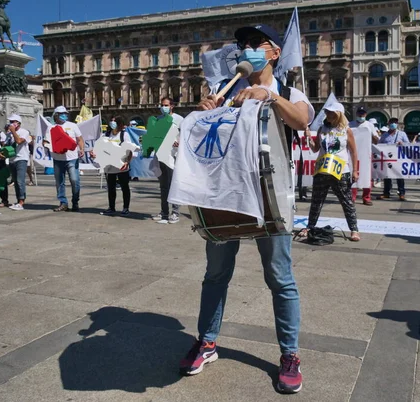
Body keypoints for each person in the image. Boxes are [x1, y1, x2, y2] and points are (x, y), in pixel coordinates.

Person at [180, 24, 313, 394]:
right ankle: (207, 342)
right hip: (226, 198)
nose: (246, 49)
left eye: (256, 43)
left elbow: (301, 120)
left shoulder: (288, 90)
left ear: (273, 52)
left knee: (280, 278)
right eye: (242, 45)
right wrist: (205, 110)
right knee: (215, 275)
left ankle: (290, 354)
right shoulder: (225, 90)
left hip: (270, 198)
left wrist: (269, 98)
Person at [302, 102, 360, 241]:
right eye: (327, 112)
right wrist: (309, 138)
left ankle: (354, 229)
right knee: (316, 200)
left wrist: (355, 170)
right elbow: (316, 149)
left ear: (338, 114)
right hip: (322, 169)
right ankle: (310, 226)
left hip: (340, 171)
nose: (328, 114)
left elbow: (353, 151)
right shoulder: (322, 129)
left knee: (346, 201)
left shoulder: (346, 130)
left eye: (331, 112)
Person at [43, 106, 85, 212]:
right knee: (59, 182)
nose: (64, 115)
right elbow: (46, 141)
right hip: (57, 159)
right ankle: (63, 203)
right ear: (56, 115)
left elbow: (80, 139)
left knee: (75, 180)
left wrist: (82, 149)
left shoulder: (73, 126)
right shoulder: (51, 128)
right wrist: (47, 146)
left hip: (72, 158)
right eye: (62, 114)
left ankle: (75, 202)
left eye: (65, 113)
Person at [151, 97, 184, 224]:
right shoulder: (158, 120)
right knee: (163, 186)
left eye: (165, 105)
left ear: (172, 106)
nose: (163, 107)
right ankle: (164, 212)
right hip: (161, 156)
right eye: (162, 105)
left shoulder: (179, 119)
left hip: (173, 156)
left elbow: (186, 135)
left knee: (173, 185)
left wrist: (179, 142)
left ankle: (175, 213)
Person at [99, 116, 134, 216]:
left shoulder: (124, 134)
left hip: (122, 165)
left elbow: (129, 150)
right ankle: (111, 207)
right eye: (111, 121)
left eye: (115, 121)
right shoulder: (106, 135)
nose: (113, 123)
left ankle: (126, 208)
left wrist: (127, 162)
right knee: (111, 187)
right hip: (110, 166)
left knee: (124, 187)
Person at [349, 106, 379, 205]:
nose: (361, 115)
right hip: (353, 154)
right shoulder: (350, 124)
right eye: (359, 113)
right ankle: (352, 197)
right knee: (352, 176)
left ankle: (366, 198)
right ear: (356, 114)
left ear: (366, 114)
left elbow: (376, 141)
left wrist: (373, 135)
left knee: (367, 176)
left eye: (363, 114)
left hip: (366, 154)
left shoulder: (370, 125)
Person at [377, 118, 409, 201]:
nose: (393, 124)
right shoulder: (384, 135)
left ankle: (401, 193)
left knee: (399, 177)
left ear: (397, 124)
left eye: (395, 123)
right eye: (391, 123)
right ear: (388, 124)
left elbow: (408, 145)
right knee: (387, 177)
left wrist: (402, 144)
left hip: (398, 159)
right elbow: (379, 146)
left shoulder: (402, 134)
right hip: (387, 159)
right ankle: (386, 193)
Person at [4, 114, 31, 211]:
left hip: (21, 158)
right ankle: (18, 200)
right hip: (12, 159)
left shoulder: (24, 132)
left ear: (18, 123)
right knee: (15, 181)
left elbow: (19, 141)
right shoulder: (9, 133)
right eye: (10, 122)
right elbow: (5, 145)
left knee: (20, 180)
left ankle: (21, 201)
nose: (10, 124)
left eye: (12, 122)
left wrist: (13, 131)